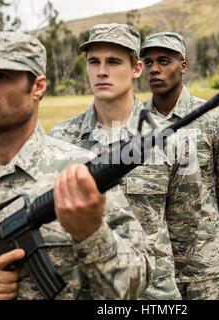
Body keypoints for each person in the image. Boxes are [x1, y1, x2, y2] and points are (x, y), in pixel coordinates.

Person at [0, 31, 154, 300]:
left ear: (38, 87)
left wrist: (91, 233)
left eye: (1, 76)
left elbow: (136, 284)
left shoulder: (80, 173)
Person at [48, 24, 181, 300]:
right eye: (93, 62)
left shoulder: (166, 137)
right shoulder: (59, 140)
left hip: (153, 295)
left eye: (113, 62)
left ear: (136, 69)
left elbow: (186, 229)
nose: (101, 71)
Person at [140, 32, 219, 299]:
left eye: (164, 61)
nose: (154, 69)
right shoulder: (136, 123)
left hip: (206, 271)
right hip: (153, 271)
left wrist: (213, 242)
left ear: (183, 66)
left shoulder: (215, 119)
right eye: (148, 62)